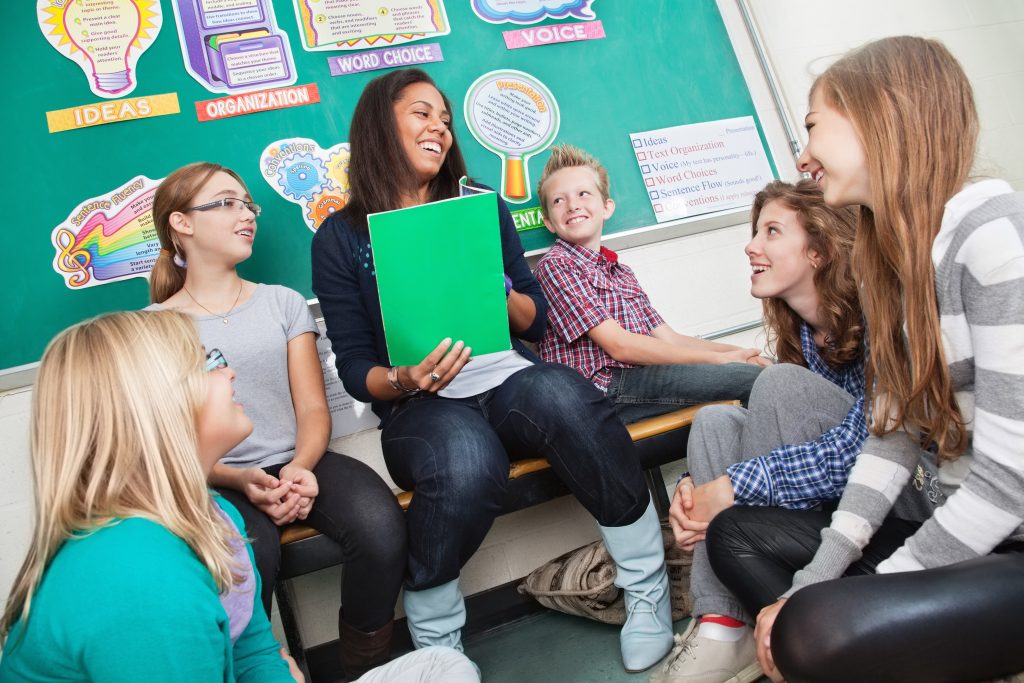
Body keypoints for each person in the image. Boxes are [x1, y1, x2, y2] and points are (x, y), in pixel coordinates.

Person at [311, 68, 673, 673]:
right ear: (380, 124)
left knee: (563, 394)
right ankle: (438, 646)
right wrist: (407, 378)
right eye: (422, 114)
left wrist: (494, 290)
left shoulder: (480, 203)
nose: (440, 129)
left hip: (507, 379)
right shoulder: (342, 237)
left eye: (446, 120)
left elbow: (535, 322)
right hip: (419, 406)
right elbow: (354, 369)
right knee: (464, 459)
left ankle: (647, 590)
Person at [705, 36, 1024, 683]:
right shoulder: (899, 271)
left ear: (881, 113)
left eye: (814, 126)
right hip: (951, 532)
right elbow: (889, 441)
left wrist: (882, 587)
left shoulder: (989, 228)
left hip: (1010, 542)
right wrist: (815, 581)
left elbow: (1008, 482)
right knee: (739, 540)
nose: (804, 154)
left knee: (813, 628)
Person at [148, 162, 406, 679]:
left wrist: (303, 467)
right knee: (247, 559)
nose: (246, 214)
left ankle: (363, 665)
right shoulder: (156, 327)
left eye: (249, 204)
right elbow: (175, 441)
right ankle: (258, 671)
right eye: (226, 203)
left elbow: (312, 407)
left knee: (382, 527)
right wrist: (238, 477)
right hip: (218, 481)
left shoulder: (282, 303)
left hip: (298, 458)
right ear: (182, 223)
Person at [0, 311, 300, 681]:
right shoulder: (142, 581)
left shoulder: (216, 514)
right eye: (206, 363)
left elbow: (252, 651)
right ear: (155, 409)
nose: (229, 372)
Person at [650, 180, 863, 683]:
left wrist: (726, 490)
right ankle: (723, 624)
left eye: (772, 231)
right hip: (819, 501)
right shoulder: (802, 336)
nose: (751, 246)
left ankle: (739, 609)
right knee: (714, 421)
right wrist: (697, 488)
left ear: (818, 251)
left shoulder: (873, 314)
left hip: (902, 500)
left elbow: (869, 447)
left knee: (779, 385)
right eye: (755, 232)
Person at [534, 144, 764, 424]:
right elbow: (619, 346)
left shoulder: (621, 272)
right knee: (752, 380)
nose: (572, 205)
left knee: (762, 370)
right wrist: (721, 362)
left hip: (639, 377)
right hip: (605, 389)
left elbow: (671, 339)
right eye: (559, 200)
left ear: (606, 207)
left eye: (583, 193)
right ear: (548, 221)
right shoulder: (556, 265)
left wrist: (738, 353)